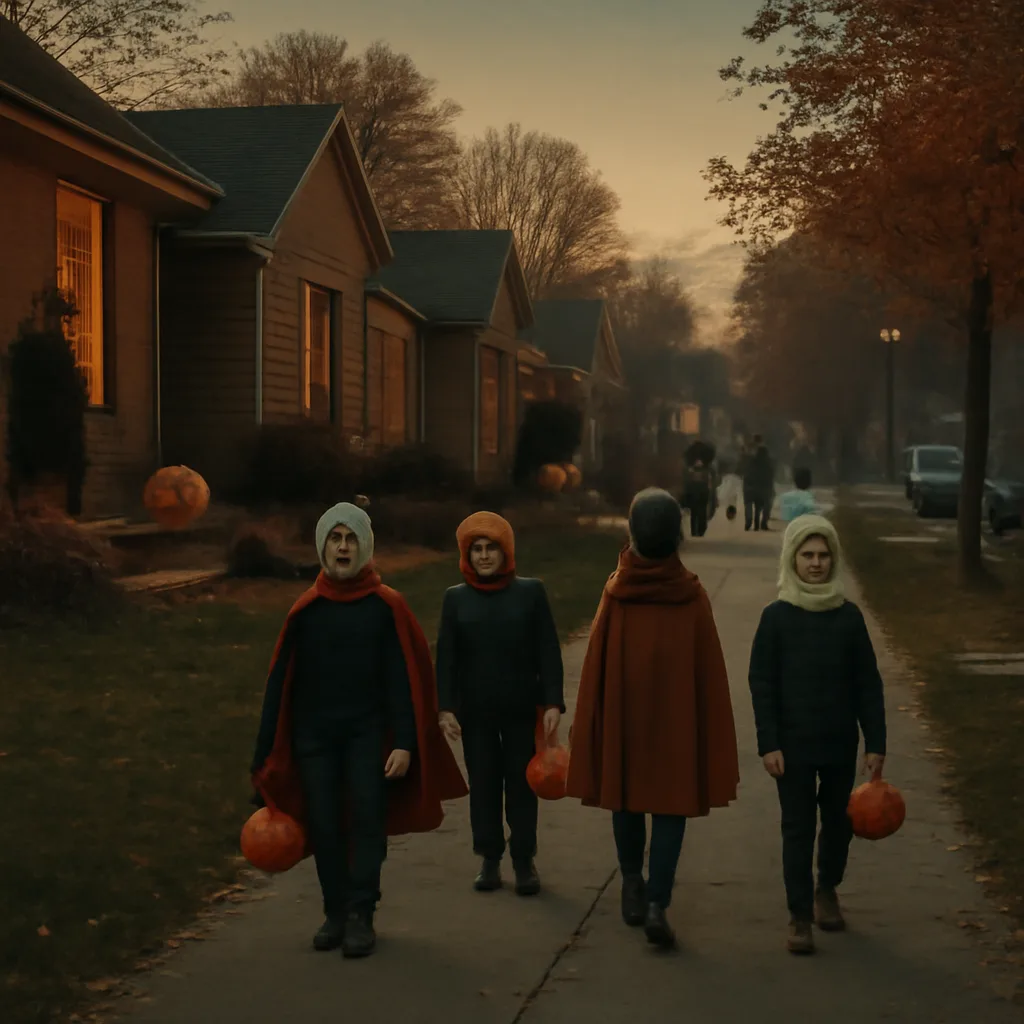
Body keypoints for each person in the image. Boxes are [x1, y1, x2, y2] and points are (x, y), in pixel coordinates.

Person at [250, 502, 468, 958]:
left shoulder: (384, 607)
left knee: (367, 822)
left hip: (367, 735)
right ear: (322, 546)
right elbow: (280, 687)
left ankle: (361, 914)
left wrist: (407, 742)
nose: (343, 547)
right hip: (314, 738)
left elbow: (403, 679)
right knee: (326, 824)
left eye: (351, 539)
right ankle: (334, 911)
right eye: (335, 538)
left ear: (365, 546)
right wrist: (264, 757)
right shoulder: (306, 611)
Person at [566, 488, 740, 948]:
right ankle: (658, 901)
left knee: (624, 795)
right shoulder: (692, 595)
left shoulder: (617, 591)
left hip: (626, 716)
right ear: (678, 535)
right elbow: (709, 672)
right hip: (676, 721)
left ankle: (631, 882)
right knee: (670, 805)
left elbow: (595, 668)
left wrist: (592, 723)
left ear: (632, 533)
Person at [747, 515, 886, 956]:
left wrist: (876, 742)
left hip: (839, 741)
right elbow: (762, 683)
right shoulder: (776, 617)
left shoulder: (848, 617)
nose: (816, 563)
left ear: (834, 559)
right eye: (807, 555)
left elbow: (868, 683)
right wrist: (768, 742)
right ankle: (799, 915)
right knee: (797, 828)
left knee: (839, 824)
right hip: (792, 747)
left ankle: (827, 889)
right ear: (792, 558)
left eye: (824, 555)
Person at [435, 511, 564, 896]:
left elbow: (548, 651)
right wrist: (445, 708)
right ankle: (489, 858)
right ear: (466, 554)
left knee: (522, 786)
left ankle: (524, 859)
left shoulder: (530, 592)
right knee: (485, 784)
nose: (485, 556)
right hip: (476, 713)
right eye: (477, 549)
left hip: (522, 709)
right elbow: (447, 660)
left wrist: (553, 702)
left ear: (506, 552)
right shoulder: (455, 600)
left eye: (492, 548)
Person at [683, 458, 711, 537]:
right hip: (701, 494)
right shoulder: (705, 473)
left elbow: (687, 485)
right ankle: (700, 531)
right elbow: (708, 485)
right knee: (701, 513)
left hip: (695, 495)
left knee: (694, 514)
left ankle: (694, 531)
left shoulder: (690, 472)